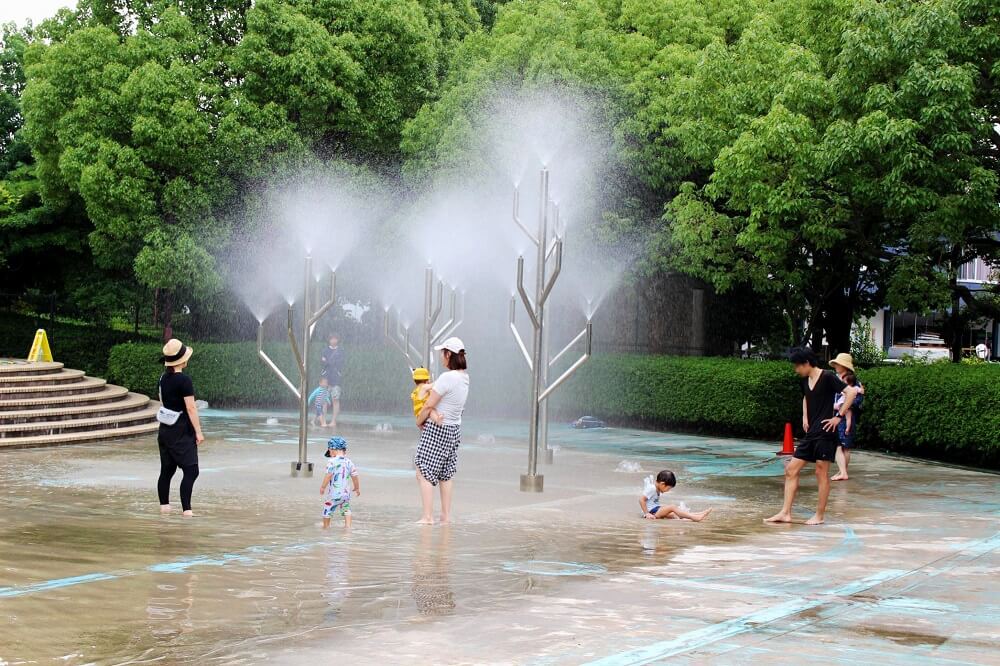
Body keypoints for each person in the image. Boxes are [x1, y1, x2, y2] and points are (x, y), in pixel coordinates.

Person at [766, 347, 859, 526]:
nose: (796, 370)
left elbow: (851, 392)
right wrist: (804, 416)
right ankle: (785, 513)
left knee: (820, 472)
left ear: (807, 363)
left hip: (825, 432)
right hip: (811, 433)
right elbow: (805, 398)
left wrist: (838, 417)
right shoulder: (805, 380)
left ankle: (819, 515)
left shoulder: (828, 377)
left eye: (797, 366)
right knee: (791, 470)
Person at [415, 337, 469, 525]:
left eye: (442, 353)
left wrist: (419, 421)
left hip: (437, 429)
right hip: (454, 429)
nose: (440, 357)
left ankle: (427, 516)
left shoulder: (447, 377)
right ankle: (445, 516)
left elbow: (429, 405)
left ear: (448, 354)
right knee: (446, 473)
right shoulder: (464, 378)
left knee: (423, 469)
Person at [157, 338, 204, 517]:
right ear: (182, 360)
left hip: (165, 430)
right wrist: (198, 432)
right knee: (192, 470)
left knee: (166, 471)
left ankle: (165, 508)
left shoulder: (163, 379)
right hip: (181, 431)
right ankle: (187, 511)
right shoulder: (184, 381)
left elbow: (163, 401)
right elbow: (191, 408)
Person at [830, 353, 864, 481]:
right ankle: (842, 471)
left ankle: (843, 471)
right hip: (835, 415)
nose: (836, 366)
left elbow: (858, 400)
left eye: (838, 364)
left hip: (846, 416)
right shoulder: (833, 378)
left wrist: (845, 406)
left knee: (845, 445)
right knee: (838, 445)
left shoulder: (854, 382)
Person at [640, 470, 713, 521]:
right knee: (672, 507)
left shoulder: (656, 488)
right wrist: (647, 514)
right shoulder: (652, 488)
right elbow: (641, 500)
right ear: (662, 484)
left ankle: (697, 515)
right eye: (668, 488)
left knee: (674, 515)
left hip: (655, 510)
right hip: (652, 512)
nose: (668, 490)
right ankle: (694, 517)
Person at [320, 437, 360, 529]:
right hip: (345, 494)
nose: (330, 454)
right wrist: (357, 488)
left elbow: (328, 475)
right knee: (346, 510)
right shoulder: (349, 462)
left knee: (327, 509)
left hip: (333, 494)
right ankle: (348, 527)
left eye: (329, 452)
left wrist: (323, 487)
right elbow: (355, 475)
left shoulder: (331, 462)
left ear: (332, 450)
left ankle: (326, 527)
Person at [321, 334, 344, 429]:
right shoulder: (325, 350)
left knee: (335, 399)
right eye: (332, 338)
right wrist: (329, 362)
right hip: (326, 378)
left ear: (337, 340)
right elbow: (322, 362)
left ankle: (333, 421)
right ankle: (323, 421)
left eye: (335, 338)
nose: (333, 340)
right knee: (324, 400)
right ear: (329, 340)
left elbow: (341, 362)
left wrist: (328, 362)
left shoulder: (341, 351)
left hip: (336, 379)